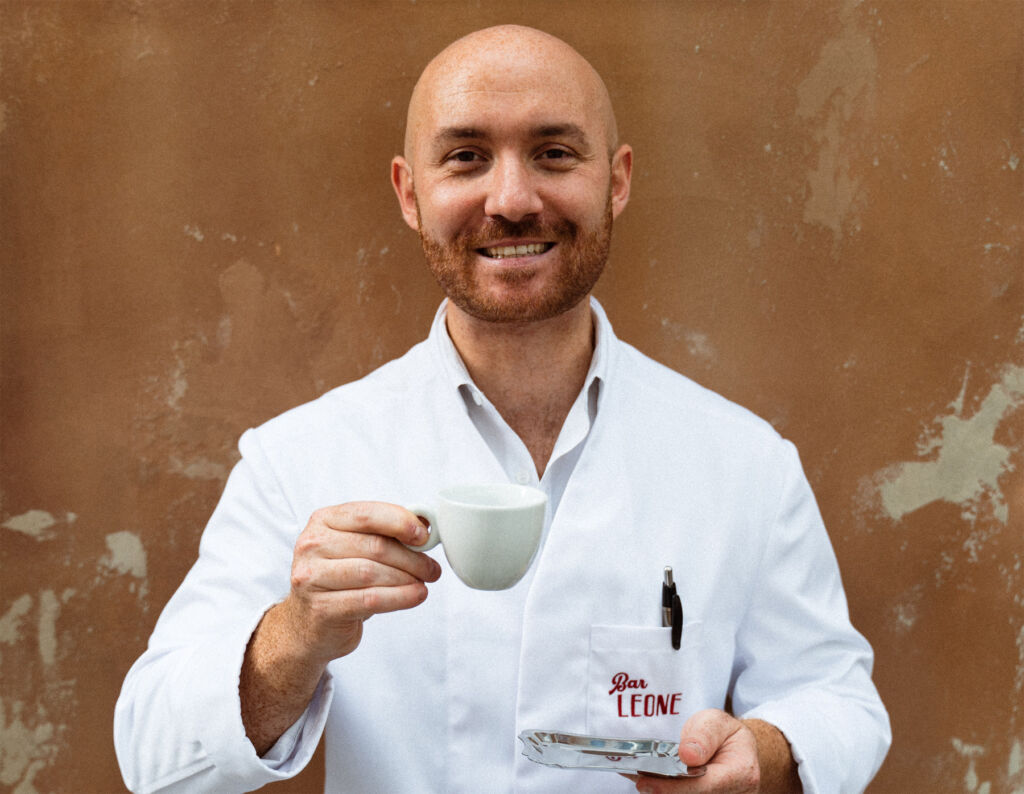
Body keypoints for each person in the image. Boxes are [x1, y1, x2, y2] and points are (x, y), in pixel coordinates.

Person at [114, 24, 890, 794]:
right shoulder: (299, 459)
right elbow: (156, 760)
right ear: (409, 193)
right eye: (465, 158)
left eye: (555, 153)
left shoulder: (743, 462)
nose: (513, 201)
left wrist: (767, 752)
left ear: (617, 180)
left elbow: (839, 700)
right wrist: (294, 635)